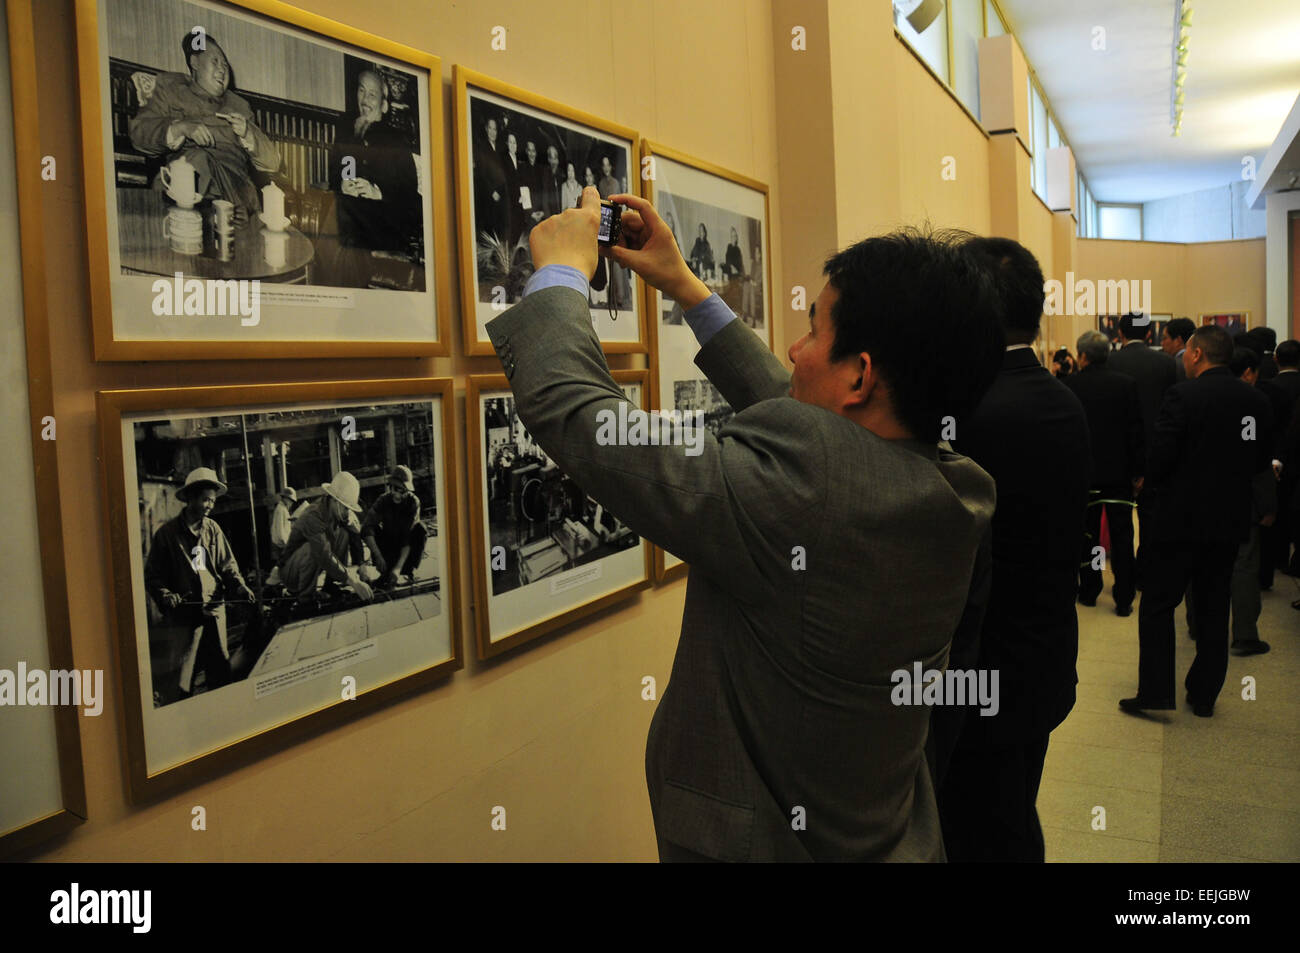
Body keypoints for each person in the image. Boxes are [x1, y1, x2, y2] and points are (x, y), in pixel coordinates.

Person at [487, 186, 1004, 861]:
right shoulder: (953, 486)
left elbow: (576, 412)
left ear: (861, 376)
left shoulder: (799, 499)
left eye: (814, 329)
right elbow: (824, 436)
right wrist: (684, 286)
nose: (792, 348)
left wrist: (558, 273)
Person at [940, 237, 1092, 864]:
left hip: (980, 676)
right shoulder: (1061, 398)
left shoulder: (963, 410)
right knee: (1010, 811)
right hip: (1043, 658)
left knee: (984, 831)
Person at [1122, 326, 1274, 718]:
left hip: (1179, 520)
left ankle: (1156, 691)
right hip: (1228, 520)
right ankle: (1204, 693)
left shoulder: (1183, 396)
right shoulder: (1253, 401)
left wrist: (1151, 493)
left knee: (1158, 603)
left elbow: (1162, 456)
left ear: (1195, 354)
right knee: (1213, 605)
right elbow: (1258, 461)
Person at [129, 33, 280, 220]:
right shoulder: (170, 89)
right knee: (197, 159)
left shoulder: (240, 105)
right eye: (215, 62)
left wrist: (248, 133)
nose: (222, 70)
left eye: (225, 65)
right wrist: (180, 128)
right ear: (195, 62)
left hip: (235, 195)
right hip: (188, 189)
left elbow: (273, 162)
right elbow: (139, 134)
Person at [144, 467, 256, 705]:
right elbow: (152, 575)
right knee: (181, 682)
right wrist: (166, 595)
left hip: (214, 613)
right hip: (184, 619)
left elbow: (228, 566)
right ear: (191, 498)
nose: (209, 506)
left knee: (221, 674)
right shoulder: (166, 535)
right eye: (205, 499)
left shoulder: (213, 530)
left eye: (212, 501)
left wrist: (239, 587)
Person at [1064, 330, 1144, 616]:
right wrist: (1138, 471)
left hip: (1085, 475)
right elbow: (1135, 430)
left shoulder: (1070, 385)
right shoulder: (1126, 385)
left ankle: (1090, 589)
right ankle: (1124, 597)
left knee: (1088, 536)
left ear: (1082, 355)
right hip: (1119, 475)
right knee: (1123, 536)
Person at [323, 68, 420, 284]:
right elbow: (336, 175)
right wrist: (344, 184)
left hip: (386, 216)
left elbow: (410, 195)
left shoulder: (396, 141)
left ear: (384, 104)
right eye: (361, 90)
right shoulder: (348, 132)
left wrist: (378, 192)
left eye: (372, 94)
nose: (365, 99)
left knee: (345, 221)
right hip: (350, 213)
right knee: (341, 210)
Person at [1109, 312, 1178, 589]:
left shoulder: (1111, 362)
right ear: (1150, 334)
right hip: (1156, 450)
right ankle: (1148, 574)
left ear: (1120, 334)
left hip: (1117, 454)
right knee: (1151, 519)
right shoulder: (1166, 364)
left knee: (1120, 524)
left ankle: (1124, 577)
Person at [276, 471, 374, 608]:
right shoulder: (313, 515)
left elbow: (355, 534)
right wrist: (353, 582)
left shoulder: (338, 511)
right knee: (313, 548)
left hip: (309, 568)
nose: (348, 512)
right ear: (334, 500)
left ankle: (330, 585)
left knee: (344, 533)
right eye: (346, 508)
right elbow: (323, 554)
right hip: (290, 574)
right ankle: (305, 599)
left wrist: (362, 566)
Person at [1260, 339, 1300, 580]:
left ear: (1276, 359)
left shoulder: (1269, 388)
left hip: (1274, 457)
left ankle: (1276, 557)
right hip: (1296, 459)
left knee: (1275, 509)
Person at [361, 465, 427, 588]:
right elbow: (366, 528)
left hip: (405, 549)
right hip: (388, 547)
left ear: (407, 490)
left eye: (401, 490)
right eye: (393, 488)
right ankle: (386, 572)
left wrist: (398, 568)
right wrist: (378, 555)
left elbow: (407, 537)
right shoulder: (383, 500)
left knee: (420, 529)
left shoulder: (414, 503)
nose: (396, 494)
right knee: (373, 530)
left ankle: (406, 572)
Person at [473, 116, 510, 243]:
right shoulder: (481, 148)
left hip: (501, 196)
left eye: (495, 129)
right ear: (486, 129)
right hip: (489, 197)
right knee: (490, 232)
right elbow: (481, 174)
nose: (493, 131)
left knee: (501, 231)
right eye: (490, 128)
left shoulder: (500, 148)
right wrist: (491, 192)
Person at [1162, 317, 1196, 382]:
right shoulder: (1197, 362)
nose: (1162, 343)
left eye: (1164, 338)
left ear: (1178, 341)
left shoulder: (1172, 365)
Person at [270, 486, 296, 564]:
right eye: (290, 500)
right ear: (285, 498)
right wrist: (287, 545)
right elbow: (280, 530)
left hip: (280, 544)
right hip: (280, 545)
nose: (291, 503)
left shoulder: (282, 509)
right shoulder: (281, 510)